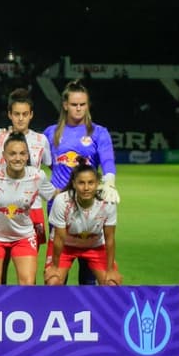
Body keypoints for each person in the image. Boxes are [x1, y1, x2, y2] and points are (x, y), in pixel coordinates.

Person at [44, 80, 119, 285]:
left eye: (83, 104)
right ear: (65, 105)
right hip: (60, 208)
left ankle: (87, 315)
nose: (79, 108)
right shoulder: (51, 133)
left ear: (88, 105)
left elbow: (107, 160)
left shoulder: (98, 132)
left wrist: (109, 180)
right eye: (75, 104)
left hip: (89, 207)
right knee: (57, 276)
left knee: (88, 278)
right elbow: (37, 161)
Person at [0, 133, 56, 285]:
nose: (17, 158)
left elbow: (55, 195)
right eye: (12, 154)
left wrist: (85, 192)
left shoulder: (37, 176)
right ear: (4, 156)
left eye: (22, 153)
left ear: (28, 155)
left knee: (28, 284)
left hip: (23, 237)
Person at [0, 89, 51, 282]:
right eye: (16, 114)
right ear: (9, 114)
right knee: (0, 266)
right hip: (2, 209)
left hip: (32, 210)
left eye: (25, 114)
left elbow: (51, 166)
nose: (21, 119)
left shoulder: (41, 140)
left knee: (28, 269)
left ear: (31, 114)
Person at [45, 162, 122, 286]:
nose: (86, 188)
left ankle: (97, 306)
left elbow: (110, 239)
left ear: (97, 183)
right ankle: (56, 305)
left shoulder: (107, 202)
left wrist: (111, 270)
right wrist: (54, 266)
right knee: (53, 281)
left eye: (91, 183)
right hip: (65, 246)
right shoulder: (62, 201)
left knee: (111, 283)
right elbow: (59, 238)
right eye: (81, 183)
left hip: (95, 246)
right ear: (74, 184)